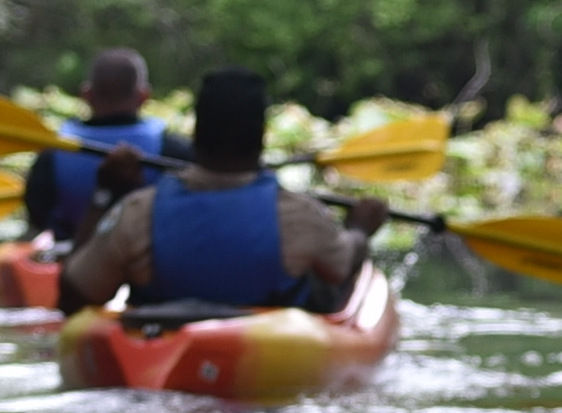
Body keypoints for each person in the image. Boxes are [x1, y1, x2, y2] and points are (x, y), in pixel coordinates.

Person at [59, 69, 378, 315]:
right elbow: (343, 265)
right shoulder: (300, 216)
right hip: (268, 360)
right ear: (261, 136)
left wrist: (104, 194)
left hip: (159, 355)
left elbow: (73, 297)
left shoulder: (138, 212)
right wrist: (360, 229)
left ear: (196, 134)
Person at [20, 47, 172, 243]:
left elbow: (38, 217)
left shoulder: (53, 153)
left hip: (74, 255)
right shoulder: (172, 150)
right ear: (144, 96)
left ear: (86, 94)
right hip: (151, 258)